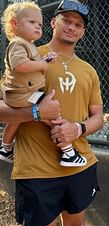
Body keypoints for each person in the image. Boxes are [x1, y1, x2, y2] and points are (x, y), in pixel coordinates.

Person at [9, 0, 103, 226]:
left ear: (83, 32)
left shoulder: (88, 70)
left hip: (80, 165)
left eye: (78, 25)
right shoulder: (27, 56)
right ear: (53, 23)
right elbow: (3, 108)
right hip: (37, 169)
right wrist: (37, 112)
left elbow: (97, 116)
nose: (72, 28)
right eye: (66, 21)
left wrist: (78, 129)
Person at [0, 1, 87, 167]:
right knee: (52, 114)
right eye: (32, 22)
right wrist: (43, 64)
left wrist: (44, 60)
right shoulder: (18, 44)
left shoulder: (28, 45)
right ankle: (68, 152)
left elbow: (32, 62)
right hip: (23, 93)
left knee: (18, 119)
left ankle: (5, 148)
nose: (37, 27)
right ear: (14, 24)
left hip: (22, 92)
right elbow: (20, 65)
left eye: (39, 23)